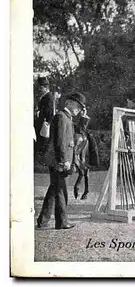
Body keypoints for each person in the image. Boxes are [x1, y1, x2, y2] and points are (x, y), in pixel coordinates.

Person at [36, 92, 87, 230]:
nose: (79, 109)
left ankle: (43, 221)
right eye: (77, 106)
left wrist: (83, 118)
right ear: (69, 103)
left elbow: (77, 133)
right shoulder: (61, 117)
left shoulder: (66, 117)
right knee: (61, 191)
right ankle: (61, 222)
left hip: (59, 160)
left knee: (54, 190)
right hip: (59, 161)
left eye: (80, 107)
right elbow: (60, 142)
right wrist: (64, 160)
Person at [34, 76, 56, 154]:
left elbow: (48, 112)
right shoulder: (46, 96)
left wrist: (39, 114)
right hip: (43, 123)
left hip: (44, 124)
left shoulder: (48, 97)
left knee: (42, 142)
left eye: (40, 88)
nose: (39, 90)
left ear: (45, 88)